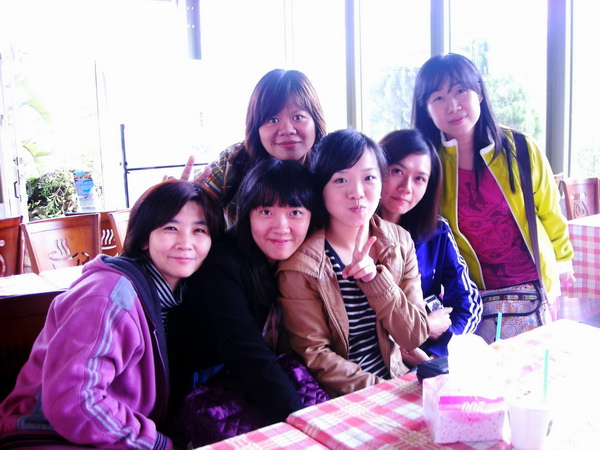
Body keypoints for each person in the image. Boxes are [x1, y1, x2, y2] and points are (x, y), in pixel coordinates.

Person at [0, 180, 224, 449]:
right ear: (144, 238)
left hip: (103, 435)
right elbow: (75, 402)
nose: (185, 243)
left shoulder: (177, 297)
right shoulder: (109, 296)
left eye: (199, 230)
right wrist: (159, 445)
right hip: (45, 435)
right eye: (170, 228)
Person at [167, 159, 324, 446]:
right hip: (204, 395)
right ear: (246, 213)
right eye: (266, 211)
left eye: (295, 212)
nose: (281, 227)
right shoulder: (221, 266)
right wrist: (305, 427)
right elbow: (246, 353)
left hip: (254, 381)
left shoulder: (298, 262)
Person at [412, 53, 574, 308]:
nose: (453, 105)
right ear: (426, 109)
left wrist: (563, 261)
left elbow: (549, 213)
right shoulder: (427, 165)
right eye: (438, 98)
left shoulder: (521, 148)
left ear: (479, 93)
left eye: (460, 90)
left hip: (534, 288)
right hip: (474, 296)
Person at [276, 128, 430, 397]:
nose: (357, 193)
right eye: (340, 180)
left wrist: (376, 282)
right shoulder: (300, 266)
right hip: (343, 398)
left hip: (397, 379)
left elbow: (414, 335)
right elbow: (316, 356)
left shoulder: (400, 241)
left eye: (369, 178)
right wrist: (385, 391)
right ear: (320, 189)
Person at [378, 129, 482, 359]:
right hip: (377, 359)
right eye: (397, 171)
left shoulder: (436, 231)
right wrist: (423, 327)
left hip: (430, 356)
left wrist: (438, 355)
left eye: (419, 179)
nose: (406, 187)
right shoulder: (353, 231)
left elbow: (467, 300)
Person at [182, 68, 326, 227]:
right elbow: (189, 215)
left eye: (298, 117)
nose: (287, 130)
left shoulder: (330, 167)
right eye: (272, 120)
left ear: (315, 121)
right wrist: (175, 200)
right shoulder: (235, 162)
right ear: (256, 127)